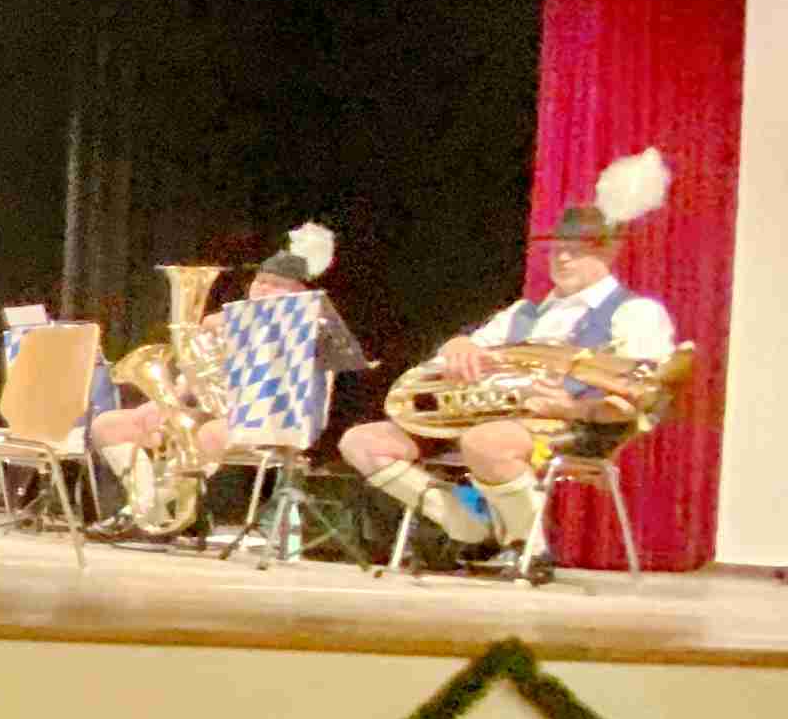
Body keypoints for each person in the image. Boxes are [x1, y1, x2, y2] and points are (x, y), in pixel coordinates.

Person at [341, 153, 678, 567]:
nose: (563, 259)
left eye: (576, 251)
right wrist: (457, 346)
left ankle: (528, 548)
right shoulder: (523, 312)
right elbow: (466, 350)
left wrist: (572, 408)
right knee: (362, 442)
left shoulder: (636, 312)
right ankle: (467, 527)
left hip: (575, 424)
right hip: (485, 419)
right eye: (558, 250)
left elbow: (641, 391)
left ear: (608, 252)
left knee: (484, 442)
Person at [89, 223, 334, 535]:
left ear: (299, 293)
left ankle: (141, 515)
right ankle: (151, 509)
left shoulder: (309, 327)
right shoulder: (226, 322)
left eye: (276, 285)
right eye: (260, 281)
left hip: (276, 418)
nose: (263, 289)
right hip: (215, 413)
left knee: (207, 436)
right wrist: (169, 402)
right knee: (110, 425)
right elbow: (197, 376)